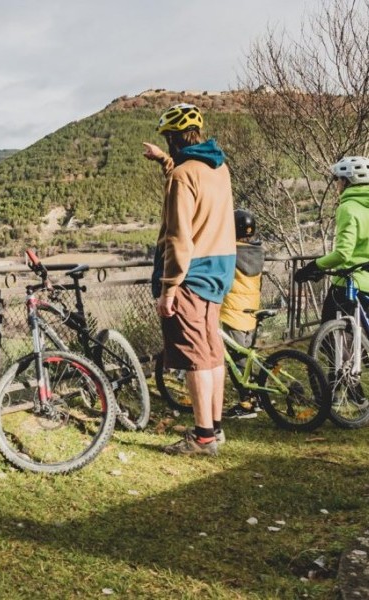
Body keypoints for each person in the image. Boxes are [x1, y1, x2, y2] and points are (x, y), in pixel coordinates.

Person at [144, 103, 236, 456]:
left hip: (190, 274)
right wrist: (163, 163)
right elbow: (187, 174)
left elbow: (179, 237)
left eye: (167, 140)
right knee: (212, 352)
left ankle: (202, 438)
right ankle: (215, 428)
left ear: (172, 138)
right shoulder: (218, 167)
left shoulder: (184, 176)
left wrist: (169, 288)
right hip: (219, 269)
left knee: (195, 357)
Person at [294, 156, 369, 323]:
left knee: (328, 340)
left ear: (347, 180)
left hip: (349, 285)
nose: (337, 184)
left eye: (338, 179)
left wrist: (314, 266)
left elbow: (343, 253)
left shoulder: (348, 207)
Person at [220, 209, 265, 419]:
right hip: (251, 311)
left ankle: (246, 403)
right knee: (246, 356)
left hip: (232, 312)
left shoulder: (230, 253)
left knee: (236, 361)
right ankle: (257, 396)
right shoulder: (257, 251)